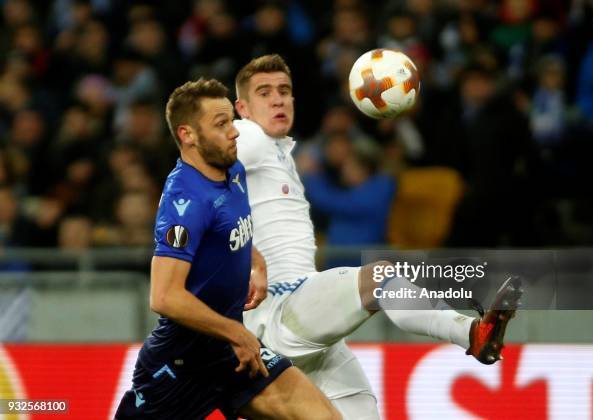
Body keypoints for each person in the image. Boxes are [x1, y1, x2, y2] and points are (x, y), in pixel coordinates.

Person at [234, 54, 522, 419]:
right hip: (275, 315)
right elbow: (199, 170)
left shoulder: (284, 154)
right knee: (379, 277)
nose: (278, 99)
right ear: (242, 108)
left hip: (304, 324)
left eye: (284, 90)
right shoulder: (245, 138)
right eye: (264, 92)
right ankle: (471, 334)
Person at [114, 78, 340, 419]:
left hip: (231, 352)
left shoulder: (231, 169)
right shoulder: (185, 202)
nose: (234, 132)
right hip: (179, 364)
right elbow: (164, 296)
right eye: (220, 124)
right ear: (188, 135)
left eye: (231, 121)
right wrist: (236, 331)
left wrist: (255, 259)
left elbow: (228, 229)